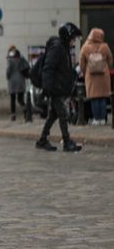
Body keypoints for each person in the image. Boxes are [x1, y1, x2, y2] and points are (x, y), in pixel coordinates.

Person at [35, 23, 83, 152]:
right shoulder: (57, 47)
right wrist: (47, 88)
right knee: (63, 114)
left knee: (52, 115)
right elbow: (49, 68)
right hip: (56, 88)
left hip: (58, 87)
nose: (74, 41)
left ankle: (42, 140)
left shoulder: (63, 47)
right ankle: (67, 141)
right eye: (73, 38)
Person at [79, 28, 113, 125]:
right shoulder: (105, 47)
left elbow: (82, 63)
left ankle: (96, 118)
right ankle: (103, 118)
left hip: (91, 76)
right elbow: (110, 59)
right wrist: (106, 68)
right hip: (103, 75)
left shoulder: (85, 47)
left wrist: (84, 72)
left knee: (94, 97)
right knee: (102, 97)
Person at [5, 46, 27, 121]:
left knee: (13, 98)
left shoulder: (10, 59)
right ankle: (25, 110)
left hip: (13, 81)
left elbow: (8, 70)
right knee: (21, 99)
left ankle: (13, 115)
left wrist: (7, 77)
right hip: (21, 80)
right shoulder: (20, 57)